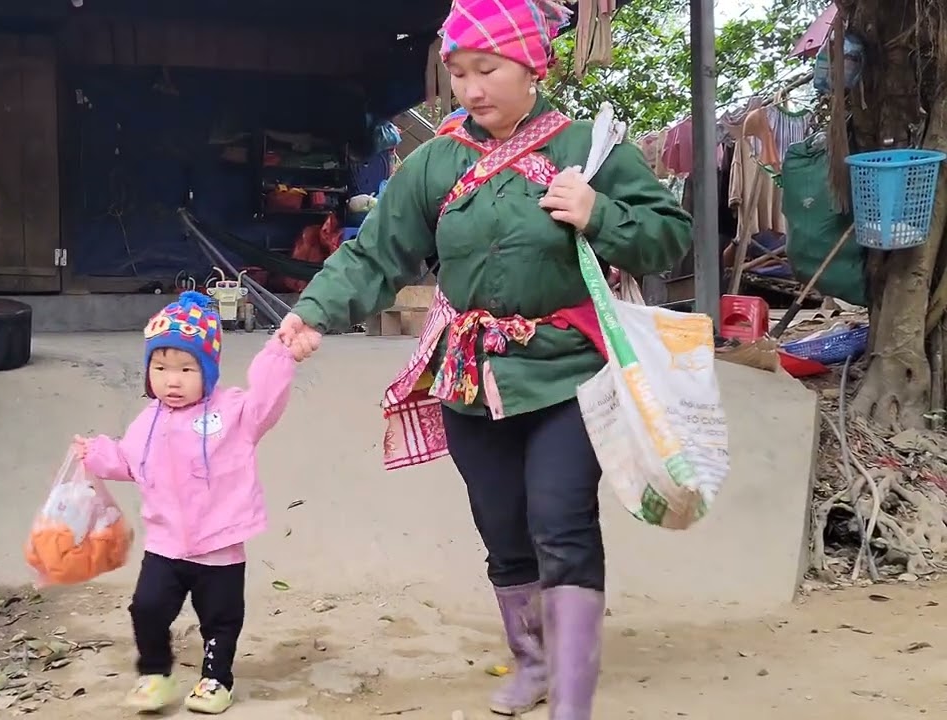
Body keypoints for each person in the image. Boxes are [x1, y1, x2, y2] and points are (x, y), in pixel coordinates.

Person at [275, 1, 693, 717]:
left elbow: (669, 237)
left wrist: (600, 213)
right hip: (469, 381)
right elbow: (377, 253)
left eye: (488, 69)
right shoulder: (435, 161)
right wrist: (312, 312)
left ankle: (571, 691)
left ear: (534, 65)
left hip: (567, 373)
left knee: (560, 520)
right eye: (460, 72)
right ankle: (532, 664)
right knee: (502, 528)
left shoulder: (590, 148)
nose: (471, 88)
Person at [80, 290, 297, 715]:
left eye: (185, 368)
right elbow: (129, 460)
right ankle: (156, 675)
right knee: (146, 608)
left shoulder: (233, 412)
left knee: (220, 618)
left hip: (220, 545)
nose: (171, 380)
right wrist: (95, 453)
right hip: (165, 544)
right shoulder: (148, 419)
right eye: (160, 369)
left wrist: (281, 352)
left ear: (209, 371)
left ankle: (216, 680)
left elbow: (265, 401)